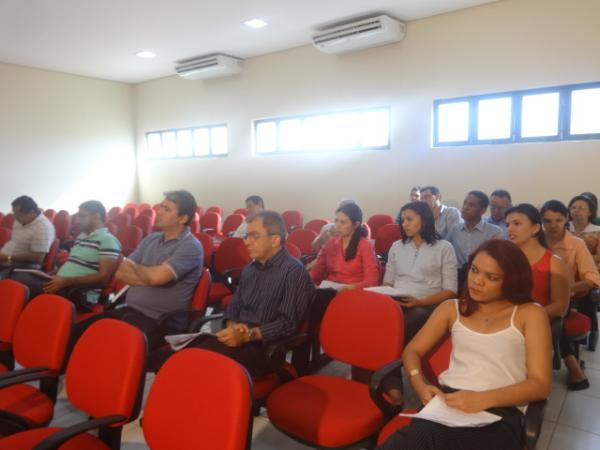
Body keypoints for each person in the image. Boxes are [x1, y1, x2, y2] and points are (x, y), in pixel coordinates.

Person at [376, 239, 551, 450]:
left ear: (511, 281)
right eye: (474, 270)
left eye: (491, 277)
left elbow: (540, 385)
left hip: (500, 410)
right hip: (449, 403)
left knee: (422, 439)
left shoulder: (529, 314)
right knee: (419, 438)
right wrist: (418, 381)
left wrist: (482, 399)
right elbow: (412, 350)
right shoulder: (452, 309)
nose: (477, 281)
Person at [151, 211, 314, 376]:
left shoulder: (294, 272)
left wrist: (248, 335)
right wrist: (232, 326)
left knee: (191, 360)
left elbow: (287, 323)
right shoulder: (250, 269)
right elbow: (235, 305)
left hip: (262, 348)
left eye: (254, 236)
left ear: (275, 240)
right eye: (246, 236)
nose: (247, 242)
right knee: (172, 354)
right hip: (237, 337)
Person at [72, 190, 203, 351]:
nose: (159, 211)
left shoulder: (190, 246)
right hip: (130, 310)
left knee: (107, 347)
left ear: (183, 218)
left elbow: (155, 279)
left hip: (160, 321)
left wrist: (137, 268)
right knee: (77, 333)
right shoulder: (151, 239)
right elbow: (121, 272)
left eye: (166, 209)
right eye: (160, 206)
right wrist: (149, 274)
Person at [542, 200, 600, 388]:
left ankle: (571, 365)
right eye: (547, 221)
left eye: (558, 220)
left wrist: (567, 288)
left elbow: (593, 278)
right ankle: (572, 368)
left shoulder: (576, 243)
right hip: (535, 295)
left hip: (564, 297)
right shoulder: (536, 240)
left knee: (553, 319)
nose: (553, 226)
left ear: (566, 218)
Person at [20, 201, 122, 308]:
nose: (77, 221)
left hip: (78, 293)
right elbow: (72, 264)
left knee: (20, 281)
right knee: (21, 278)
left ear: (96, 216)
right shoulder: (81, 237)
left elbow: (103, 277)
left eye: (82, 216)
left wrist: (66, 281)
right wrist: (50, 275)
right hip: (62, 284)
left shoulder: (108, 240)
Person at [384, 201, 458, 342]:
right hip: (397, 302)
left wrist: (419, 302)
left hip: (426, 305)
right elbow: (387, 282)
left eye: (409, 219)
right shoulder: (396, 246)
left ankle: (389, 359)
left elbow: (450, 291)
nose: (404, 224)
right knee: (368, 319)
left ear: (424, 220)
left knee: (400, 325)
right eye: (403, 220)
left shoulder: (444, 248)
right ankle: (365, 360)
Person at [310, 202, 379, 290]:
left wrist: (349, 288)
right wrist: (304, 281)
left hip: (354, 292)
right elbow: (317, 270)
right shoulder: (331, 242)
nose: (337, 226)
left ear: (356, 225)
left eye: (343, 222)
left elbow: (372, 281)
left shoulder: (365, 246)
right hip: (331, 290)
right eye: (336, 221)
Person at [446, 191, 504, 288]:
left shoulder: (495, 232)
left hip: (482, 279)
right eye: (465, 203)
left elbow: (498, 262)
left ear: (483, 210)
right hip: (458, 279)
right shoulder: (455, 230)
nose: (465, 207)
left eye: (471, 205)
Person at [0, 196, 55, 274]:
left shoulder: (43, 228)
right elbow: (13, 240)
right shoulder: (20, 220)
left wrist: (8, 257)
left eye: (18, 215)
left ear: (31, 213)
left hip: (22, 265)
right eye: (14, 213)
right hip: (5, 258)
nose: (15, 217)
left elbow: (38, 258)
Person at [568, 194, 600, 266]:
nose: (576, 210)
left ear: (590, 212)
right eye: (573, 207)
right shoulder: (563, 227)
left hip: (590, 267)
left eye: (581, 208)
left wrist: (579, 259)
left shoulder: (598, 231)